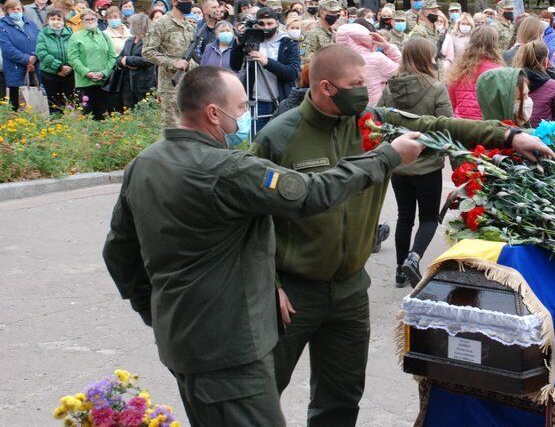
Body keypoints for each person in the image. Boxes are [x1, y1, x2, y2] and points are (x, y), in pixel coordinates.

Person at [103, 65, 425, 427]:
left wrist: (155, 310)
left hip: (182, 337)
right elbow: (309, 192)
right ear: (213, 113)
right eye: (240, 108)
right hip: (228, 350)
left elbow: (118, 252)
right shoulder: (227, 169)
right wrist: (387, 156)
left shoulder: (145, 163)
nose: (244, 116)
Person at [251, 44, 553, 426]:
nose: (364, 91)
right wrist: (269, 280)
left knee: (340, 400)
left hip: (348, 291)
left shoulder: (376, 123)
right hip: (293, 293)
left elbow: (441, 125)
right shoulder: (279, 136)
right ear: (326, 87)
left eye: (364, 82)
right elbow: (251, 216)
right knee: (261, 395)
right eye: (355, 84)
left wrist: (509, 138)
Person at [376, 38, 452, 286]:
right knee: (429, 218)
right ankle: (414, 257)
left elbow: (379, 121)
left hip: (399, 163)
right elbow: (446, 126)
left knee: (404, 217)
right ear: (426, 57)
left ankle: (399, 269)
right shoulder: (436, 88)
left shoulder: (391, 88)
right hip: (428, 164)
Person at [229, 7, 300, 131]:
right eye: (261, 24)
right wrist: (238, 43)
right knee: (256, 142)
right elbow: (235, 65)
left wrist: (267, 62)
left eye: (270, 23)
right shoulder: (250, 40)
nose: (266, 27)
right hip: (257, 101)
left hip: (280, 100)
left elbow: (292, 73)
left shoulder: (288, 43)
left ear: (277, 23)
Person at [142, 0, 199, 127]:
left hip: (189, 83)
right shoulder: (162, 23)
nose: (189, 3)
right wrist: (173, 63)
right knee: (173, 127)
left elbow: (192, 54)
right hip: (170, 85)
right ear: (174, 1)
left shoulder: (188, 24)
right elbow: (147, 52)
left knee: (190, 126)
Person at [335, 23, 401, 107]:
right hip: (372, 112)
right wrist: (389, 47)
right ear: (365, 37)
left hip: (344, 112)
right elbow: (401, 69)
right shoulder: (376, 59)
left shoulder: (335, 60)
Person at [446, 26, 503, 119]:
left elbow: (451, 101)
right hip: (486, 124)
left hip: (460, 123)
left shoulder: (459, 68)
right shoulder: (498, 71)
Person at [67, 9, 116, 119]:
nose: (90, 22)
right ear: (82, 21)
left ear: (97, 19)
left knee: (102, 114)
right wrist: (87, 73)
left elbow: (112, 56)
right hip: (85, 82)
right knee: (86, 114)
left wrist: (104, 72)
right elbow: (73, 58)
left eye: (92, 19)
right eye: (87, 20)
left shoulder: (104, 36)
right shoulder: (76, 37)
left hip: (103, 81)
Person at [0, 0, 40, 110]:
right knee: (15, 101)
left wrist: (35, 57)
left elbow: (40, 42)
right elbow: (7, 48)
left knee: (33, 98)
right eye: (12, 9)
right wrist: (26, 59)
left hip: (34, 66)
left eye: (18, 9)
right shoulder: (2, 26)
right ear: (7, 11)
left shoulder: (30, 23)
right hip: (15, 67)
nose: (16, 11)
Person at [515, 40, 555, 125]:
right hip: (543, 136)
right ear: (545, 60)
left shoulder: (513, 81)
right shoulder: (554, 86)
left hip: (518, 135)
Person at [35, 9, 74, 113]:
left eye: (59, 18)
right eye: (53, 19)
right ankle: (56, 124)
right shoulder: (42, 34)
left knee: (69, 102)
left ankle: (69, 125)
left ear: (63, 20)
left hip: (69, 74)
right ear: (48, 20)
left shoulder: (70, 33)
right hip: (50, 73)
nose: (56, 21)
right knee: (54, 104)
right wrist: (59, 67)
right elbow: (41, 53)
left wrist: (68, 66)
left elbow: (75, 51)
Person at [117, 13, 157, 109]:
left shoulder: (150, 40)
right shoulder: (129, 41)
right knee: (129, 110)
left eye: (132, 24)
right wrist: (122, 61)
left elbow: (150, 59)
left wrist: (128, 60)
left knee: (145, 111)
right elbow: (119, 58)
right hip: (128, 84)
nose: (129, 27)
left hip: (144, 83)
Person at [301, 0, 342, 67]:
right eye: (332, 12)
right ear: (322, 13)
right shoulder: (312, 34)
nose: (336, 15)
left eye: (336, 12)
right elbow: (304, 56)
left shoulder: (334, 34)